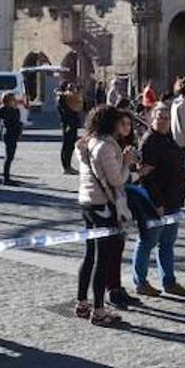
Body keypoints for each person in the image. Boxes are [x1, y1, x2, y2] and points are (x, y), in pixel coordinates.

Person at [76, 105, 133, 325]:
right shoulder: (106, 147)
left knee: (90, 254)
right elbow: (116, 180)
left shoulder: (87, 143)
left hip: (87, 202)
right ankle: (99, 311)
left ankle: (82, 302)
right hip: (103, 205)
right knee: (103, 257)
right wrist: (127, 164)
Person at [133, 104, 185, 298]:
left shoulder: (168, 139)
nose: (164, 121)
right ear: (152, 118)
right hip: (156, 203)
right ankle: (140, 281)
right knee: (147, 242)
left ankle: (169, 281)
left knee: (167, 243)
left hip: (173, 200)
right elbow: (146, 177)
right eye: (160, 117)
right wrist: (156, 203)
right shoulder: (150, 142)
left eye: (167, 118)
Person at [57, 81, 85, 175]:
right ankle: (66, 167)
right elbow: (65, 112)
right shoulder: (63, 98)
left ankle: (68, 166)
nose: (72, 89)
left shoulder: (68, 97)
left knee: (71, 144)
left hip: (72, 123)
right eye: (70, 88)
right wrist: (68, 124)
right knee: (67, 145)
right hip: (68, 123)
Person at [0, 92, 23, 185]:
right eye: (13, 99)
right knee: (9, 156)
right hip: (9, 134)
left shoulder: (15, 109)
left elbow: (18, 121)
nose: (15, 100)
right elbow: (9, 120)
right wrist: (14, 109)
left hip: (14, 133)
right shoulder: (4, 109)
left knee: (11, 156)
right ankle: (6, 178)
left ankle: (7, 177)